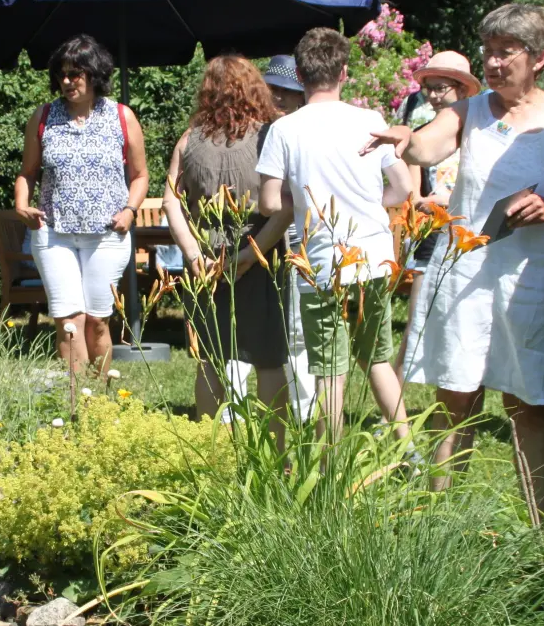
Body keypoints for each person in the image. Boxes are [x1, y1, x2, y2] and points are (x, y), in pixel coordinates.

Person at [369, 4, 544, 518]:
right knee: (456, 401)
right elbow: (426, 147)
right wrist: (406, 140)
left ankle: (533, 530)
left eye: (504, 53)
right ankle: (439, 527)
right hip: (467, 275)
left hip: (531, 278)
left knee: (527, 406)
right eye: (487, 52)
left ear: (538, 58)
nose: (491, 64)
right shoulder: (471, 111)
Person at [256, 29, 416, 442]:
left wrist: (302, 191)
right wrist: (365, 201)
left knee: (330, 373)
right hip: (373, 254)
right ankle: (412, 456)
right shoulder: (370, 121)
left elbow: (271, 204)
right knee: (377, 358)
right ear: (343, 72)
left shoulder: (285, 130)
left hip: (322, 262)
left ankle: (330, 473)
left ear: (300, 74)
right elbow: (402, 190)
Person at [163, 56, 294, 434]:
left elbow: (171, 199)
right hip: (262, 258)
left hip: (205, 264)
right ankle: (276, 451)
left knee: (210, 359)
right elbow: (284, 208)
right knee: (268, 359)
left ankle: (210, 452)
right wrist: (249, 257)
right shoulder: (272, 135)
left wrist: (192, 254)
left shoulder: (189, 140)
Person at [14, 34, 148, 373]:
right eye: (62, 74)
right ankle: (78, 402)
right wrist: (21, 203)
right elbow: (27, 172)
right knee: (69, 320)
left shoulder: (121, 117)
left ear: (94, 74)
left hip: (107, 235)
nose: (67, 81)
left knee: (97, 321)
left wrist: (130, 210)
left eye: (76, 73)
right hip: (54, 234)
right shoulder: (43, 117)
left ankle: (99, 401)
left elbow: (141, 175)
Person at [396, 52, 481, 372]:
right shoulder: (424, 129)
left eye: (440, 87)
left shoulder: (481, 127)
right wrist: (424, 201)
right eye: (428, 87)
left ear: (461, 88)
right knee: (418, 320)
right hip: (432, 233)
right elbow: (415, 194)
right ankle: (396, 407)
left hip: (471, 231)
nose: (431, 95)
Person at [260, 55, 319, 423]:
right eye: (273, 90)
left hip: (304, 239)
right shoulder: (265, 132)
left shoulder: (304, 129)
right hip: (270, 241)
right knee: (282, 328)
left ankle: (305, 411)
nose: (278, 98)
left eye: (287, 91)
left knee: (299, 329)